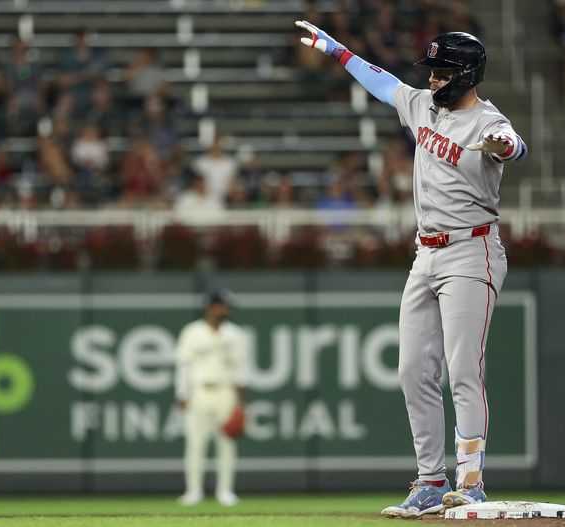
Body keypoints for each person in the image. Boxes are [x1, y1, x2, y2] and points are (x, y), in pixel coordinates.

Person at [295, 21, 527, 518]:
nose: (433, 81)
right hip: (426, 254)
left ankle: (471, 482)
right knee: (411, 372)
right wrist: (337, 50)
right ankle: (429, 481)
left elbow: (513, 143)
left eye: (443, 73)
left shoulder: (487, 120)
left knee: (464, 370)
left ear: (466, 75)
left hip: (472, 250)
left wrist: (504, 146)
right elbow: (383, 82)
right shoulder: (422, 104)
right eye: (433, 72)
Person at [175, 291, 248, 507]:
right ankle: (193, 491)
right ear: (211, 307)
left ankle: (225, 491)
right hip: (199, 390)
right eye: (223, 306)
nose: (226, 310)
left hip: (225, 391)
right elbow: (183, 365)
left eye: (227, 306)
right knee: (195, 443)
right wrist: (181, 392)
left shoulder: (235, 334)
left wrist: (241, 402)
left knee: (226, 443)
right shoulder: (192, 332)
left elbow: (241, 368)